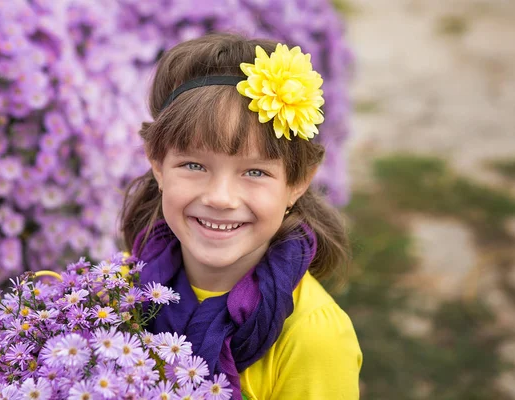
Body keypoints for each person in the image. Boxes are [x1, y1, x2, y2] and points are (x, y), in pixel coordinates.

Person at [120, 32, 362, 400]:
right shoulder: (120, 290)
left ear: (297, 182)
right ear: (157, 165)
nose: (220, 198)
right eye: (194, 165)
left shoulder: (313, 338)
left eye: (254, 172)